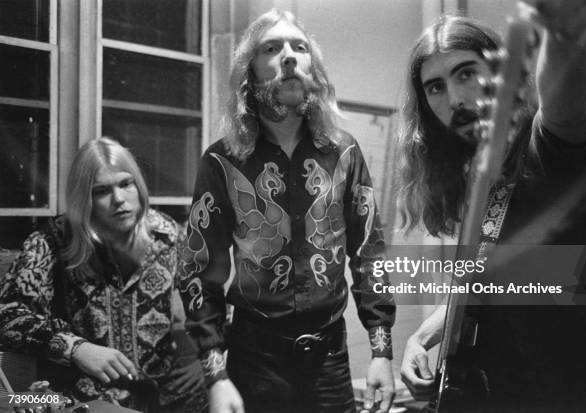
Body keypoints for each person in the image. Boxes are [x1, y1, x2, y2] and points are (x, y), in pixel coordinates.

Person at [177, 9, 396, 413]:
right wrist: (216, 376)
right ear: (250, 73)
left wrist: (381, 349)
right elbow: (197, 271)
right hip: (253, 361)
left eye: (299, 47)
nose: (289, 56)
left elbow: (370, 253)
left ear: (315, 69)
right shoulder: (222, 161)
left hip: (331, 362)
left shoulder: (344, 152)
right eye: (272, 49)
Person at [398, 1, 586, 412]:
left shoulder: (546, 148)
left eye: (466, 73)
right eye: (436, 87)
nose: (456, 98)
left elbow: (567, 109)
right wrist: (420, 338)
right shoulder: (479, 172)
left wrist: (565, 35)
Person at [0, 137, 207, 412]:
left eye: (125, 184)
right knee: (16, 403)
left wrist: (198, 358)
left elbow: (208, 305)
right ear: (83, 198)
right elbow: (7, 314)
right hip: (76, 401)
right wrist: (75, 348)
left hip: (162, 399)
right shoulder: (51, 241)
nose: (119, 200)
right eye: (101, 191)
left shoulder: (169, 234)